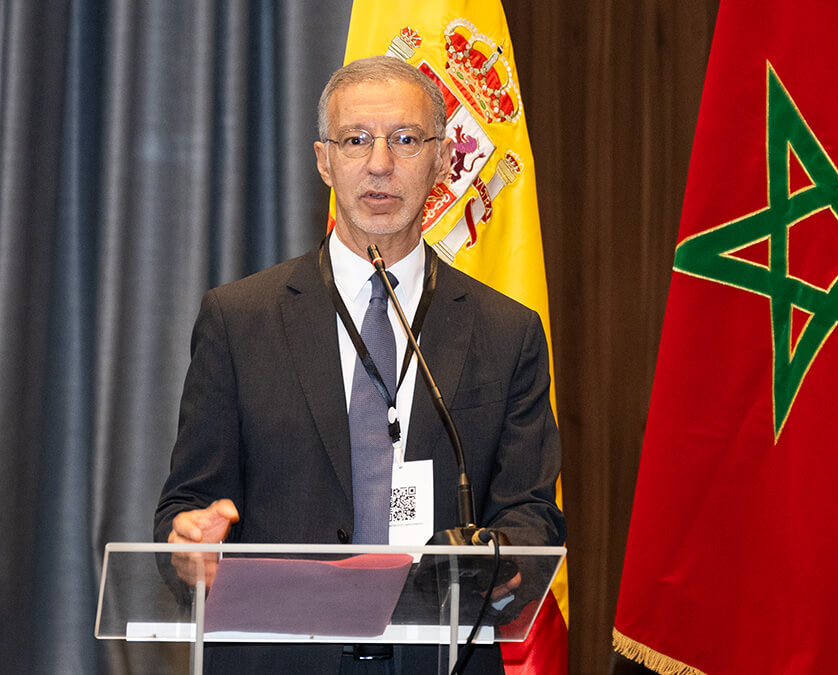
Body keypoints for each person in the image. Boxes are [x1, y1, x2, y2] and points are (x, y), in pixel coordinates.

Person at [154, 55, 565, 674]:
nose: (380, 164)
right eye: (355, 140)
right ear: (324, 160)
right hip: (280, 658)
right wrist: (186, 545)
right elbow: (186, 507)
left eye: (405, 139)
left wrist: (493, 560)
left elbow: (532, 515)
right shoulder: (239, 320)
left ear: (444, 159)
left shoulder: (507, 332)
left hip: (439, 660)